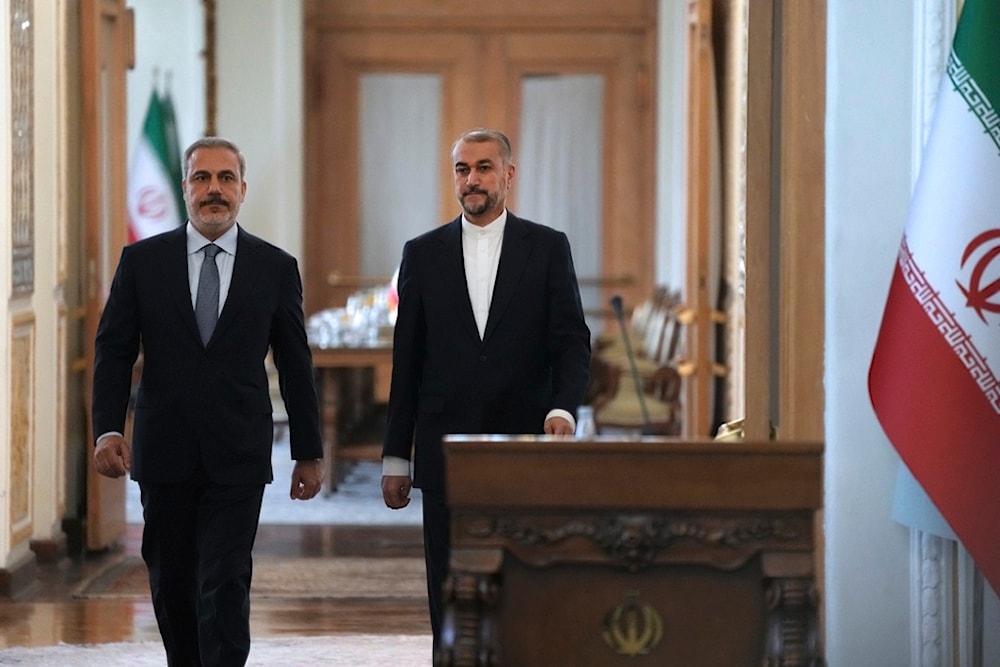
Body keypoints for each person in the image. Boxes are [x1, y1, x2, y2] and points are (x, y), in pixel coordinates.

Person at [92, 136, 324, 666]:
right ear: (185, 188)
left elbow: (295, 362)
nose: (213, 190)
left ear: (242, 189)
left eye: (224, 179)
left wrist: (307, 449)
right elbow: (113, 351)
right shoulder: (142, 262)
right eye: (202, 178)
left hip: (237, 451)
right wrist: (108, 428)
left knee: (224, 580)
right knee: (172, 581)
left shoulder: (275, 267)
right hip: (164, 449)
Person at [381, 128, 592, 652]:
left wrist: (563, 409)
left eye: (483, 167)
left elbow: (571, 342)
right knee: (446, 584)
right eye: (461, 169)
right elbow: (406, 363)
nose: (471, 179)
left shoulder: (547, 248)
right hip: (443, 448)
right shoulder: (422, 253)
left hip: (524, 445)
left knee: (519, 581)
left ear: (508, 175)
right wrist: (394, 457)